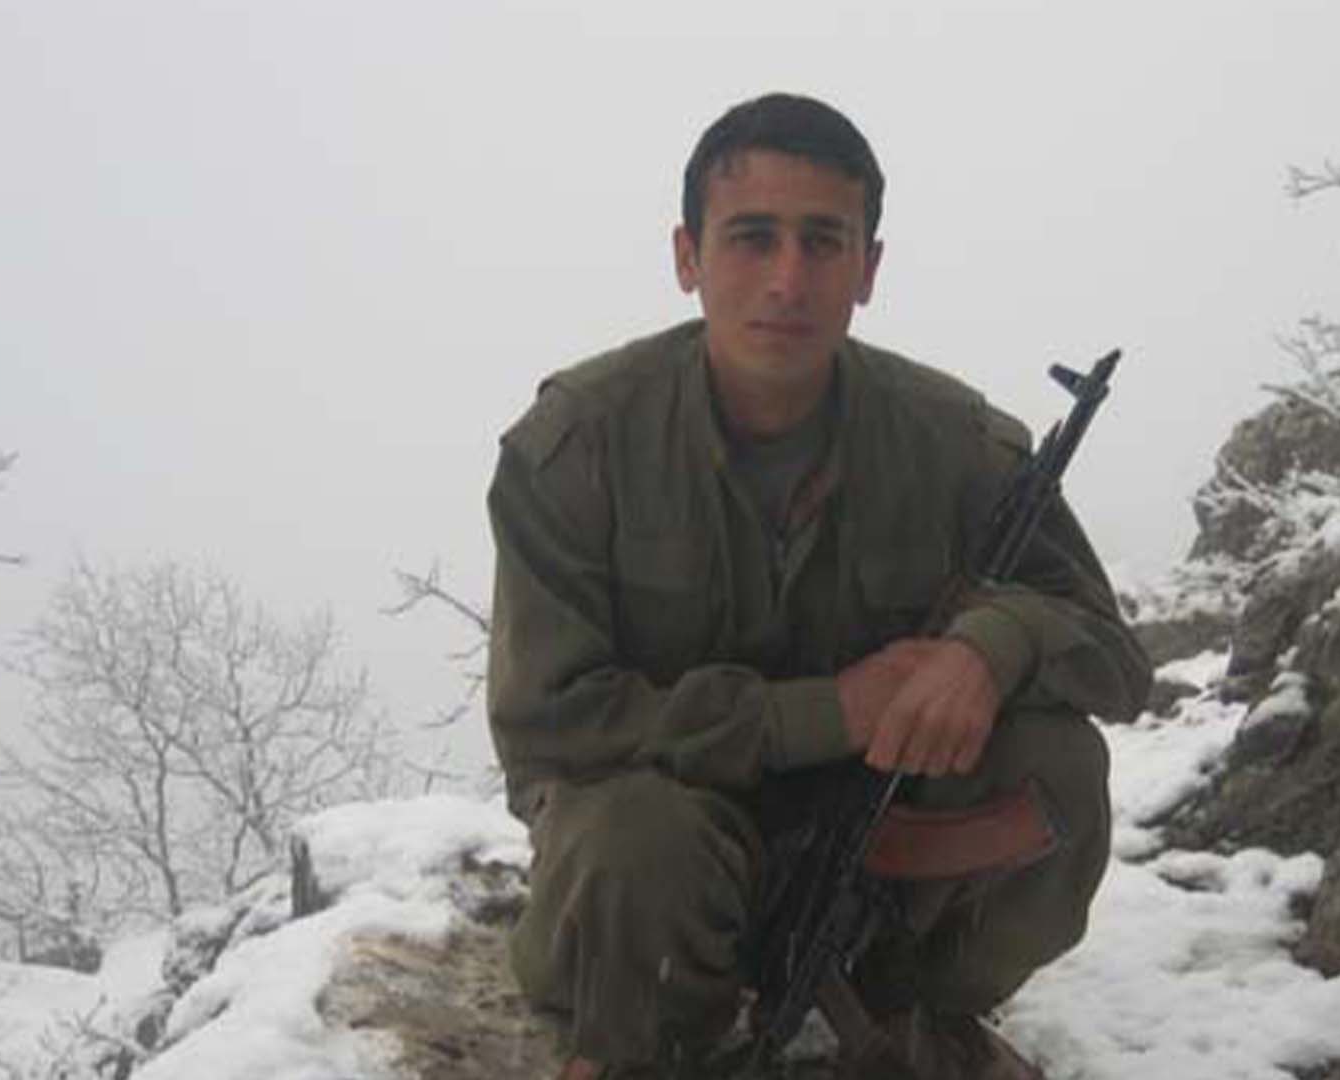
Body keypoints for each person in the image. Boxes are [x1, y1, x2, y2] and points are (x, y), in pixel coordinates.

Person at [486, 92, 1152, 1079]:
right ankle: (650, 1040)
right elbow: (549, 722)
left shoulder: (957, 444)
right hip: (665, 849)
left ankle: (916, 1014)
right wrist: (826, 713)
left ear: (867, 268)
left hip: (876, 845)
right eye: (752, 238)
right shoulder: (575, 448)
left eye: (823, 242)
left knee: (1057, 765)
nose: (788, 280)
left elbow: (1115, 660)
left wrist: (990, 649)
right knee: (635, 839)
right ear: (688, 256)